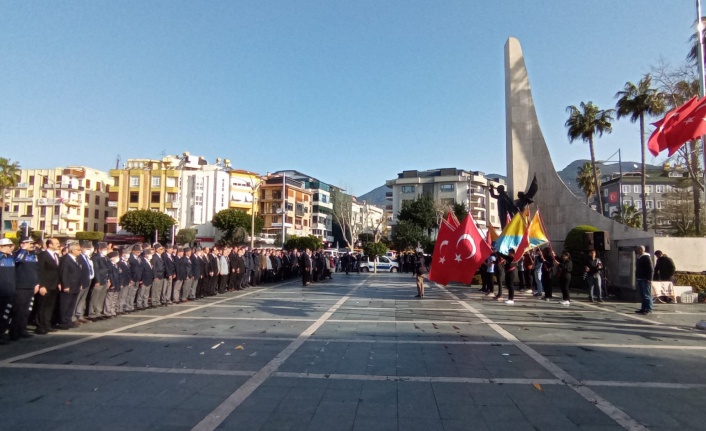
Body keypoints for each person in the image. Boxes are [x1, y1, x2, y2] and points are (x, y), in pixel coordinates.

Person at [10, 237, 40, 340]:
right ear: (22, 244)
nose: (32, 245)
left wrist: (37, 283)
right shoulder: (17, 254)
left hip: (31, 286)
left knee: (26, 310)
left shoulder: (33, 256)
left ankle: (22, 330)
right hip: (20, 286)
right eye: (29, 243)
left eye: (32, 243)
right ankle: (14, 332)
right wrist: (23, 249)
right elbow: (17, 260)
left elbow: (36, 270)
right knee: (18, 310)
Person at [35, 238, 61, 335]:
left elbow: (57, 271)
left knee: (50, 306)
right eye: (56, 243)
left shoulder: (56, 255)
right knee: (42, 306)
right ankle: (40, 326)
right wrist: (41, 285)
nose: (59, 245)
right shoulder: (42, 255)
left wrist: (59, 282)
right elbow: (40, 271)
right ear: (50, 245)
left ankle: (47, 324)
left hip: (54, 285)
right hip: (45, 285)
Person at [58, 242, 84, 330]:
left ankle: (68, 320)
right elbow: (64, 273)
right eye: (78, 250)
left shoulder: (76, 259)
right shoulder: (66, 259)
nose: (80, 251)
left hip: (75, 285)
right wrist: (65, 285)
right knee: (65, 304)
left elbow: (78, 273)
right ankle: (63, 322)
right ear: (72, 250)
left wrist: (80, 284)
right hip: (69, 285)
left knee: (71, 304)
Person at [0, 238, 17, 344]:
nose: (11, 247)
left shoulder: (11, 258)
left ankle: (2, 333)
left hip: (9, 290)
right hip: (1, 290)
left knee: (6, 314)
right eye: (8, 246)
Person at [88, 242, 110, 320]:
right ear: (99, 249)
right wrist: (97, 280)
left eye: (106, 249)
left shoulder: (106, 257)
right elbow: (96, 269)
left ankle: (98, 312)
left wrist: (108, 279)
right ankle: (92, 313)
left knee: (101, 297)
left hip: (105, 279)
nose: (105, 250)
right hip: (99, 280)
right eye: (104, 249)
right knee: (95, 297)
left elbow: (108, 269)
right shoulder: (96, 257)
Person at [635, 246, 654, 315]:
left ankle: (649, 308)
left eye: (637, 249)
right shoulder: (639, 257)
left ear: (641, 250)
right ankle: (643, 308)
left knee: (647, 294)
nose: (636, 251)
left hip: (645, 279)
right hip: (640, 278)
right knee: (642, 295)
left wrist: (650, 279)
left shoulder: (646, 257)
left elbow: (651, 269)